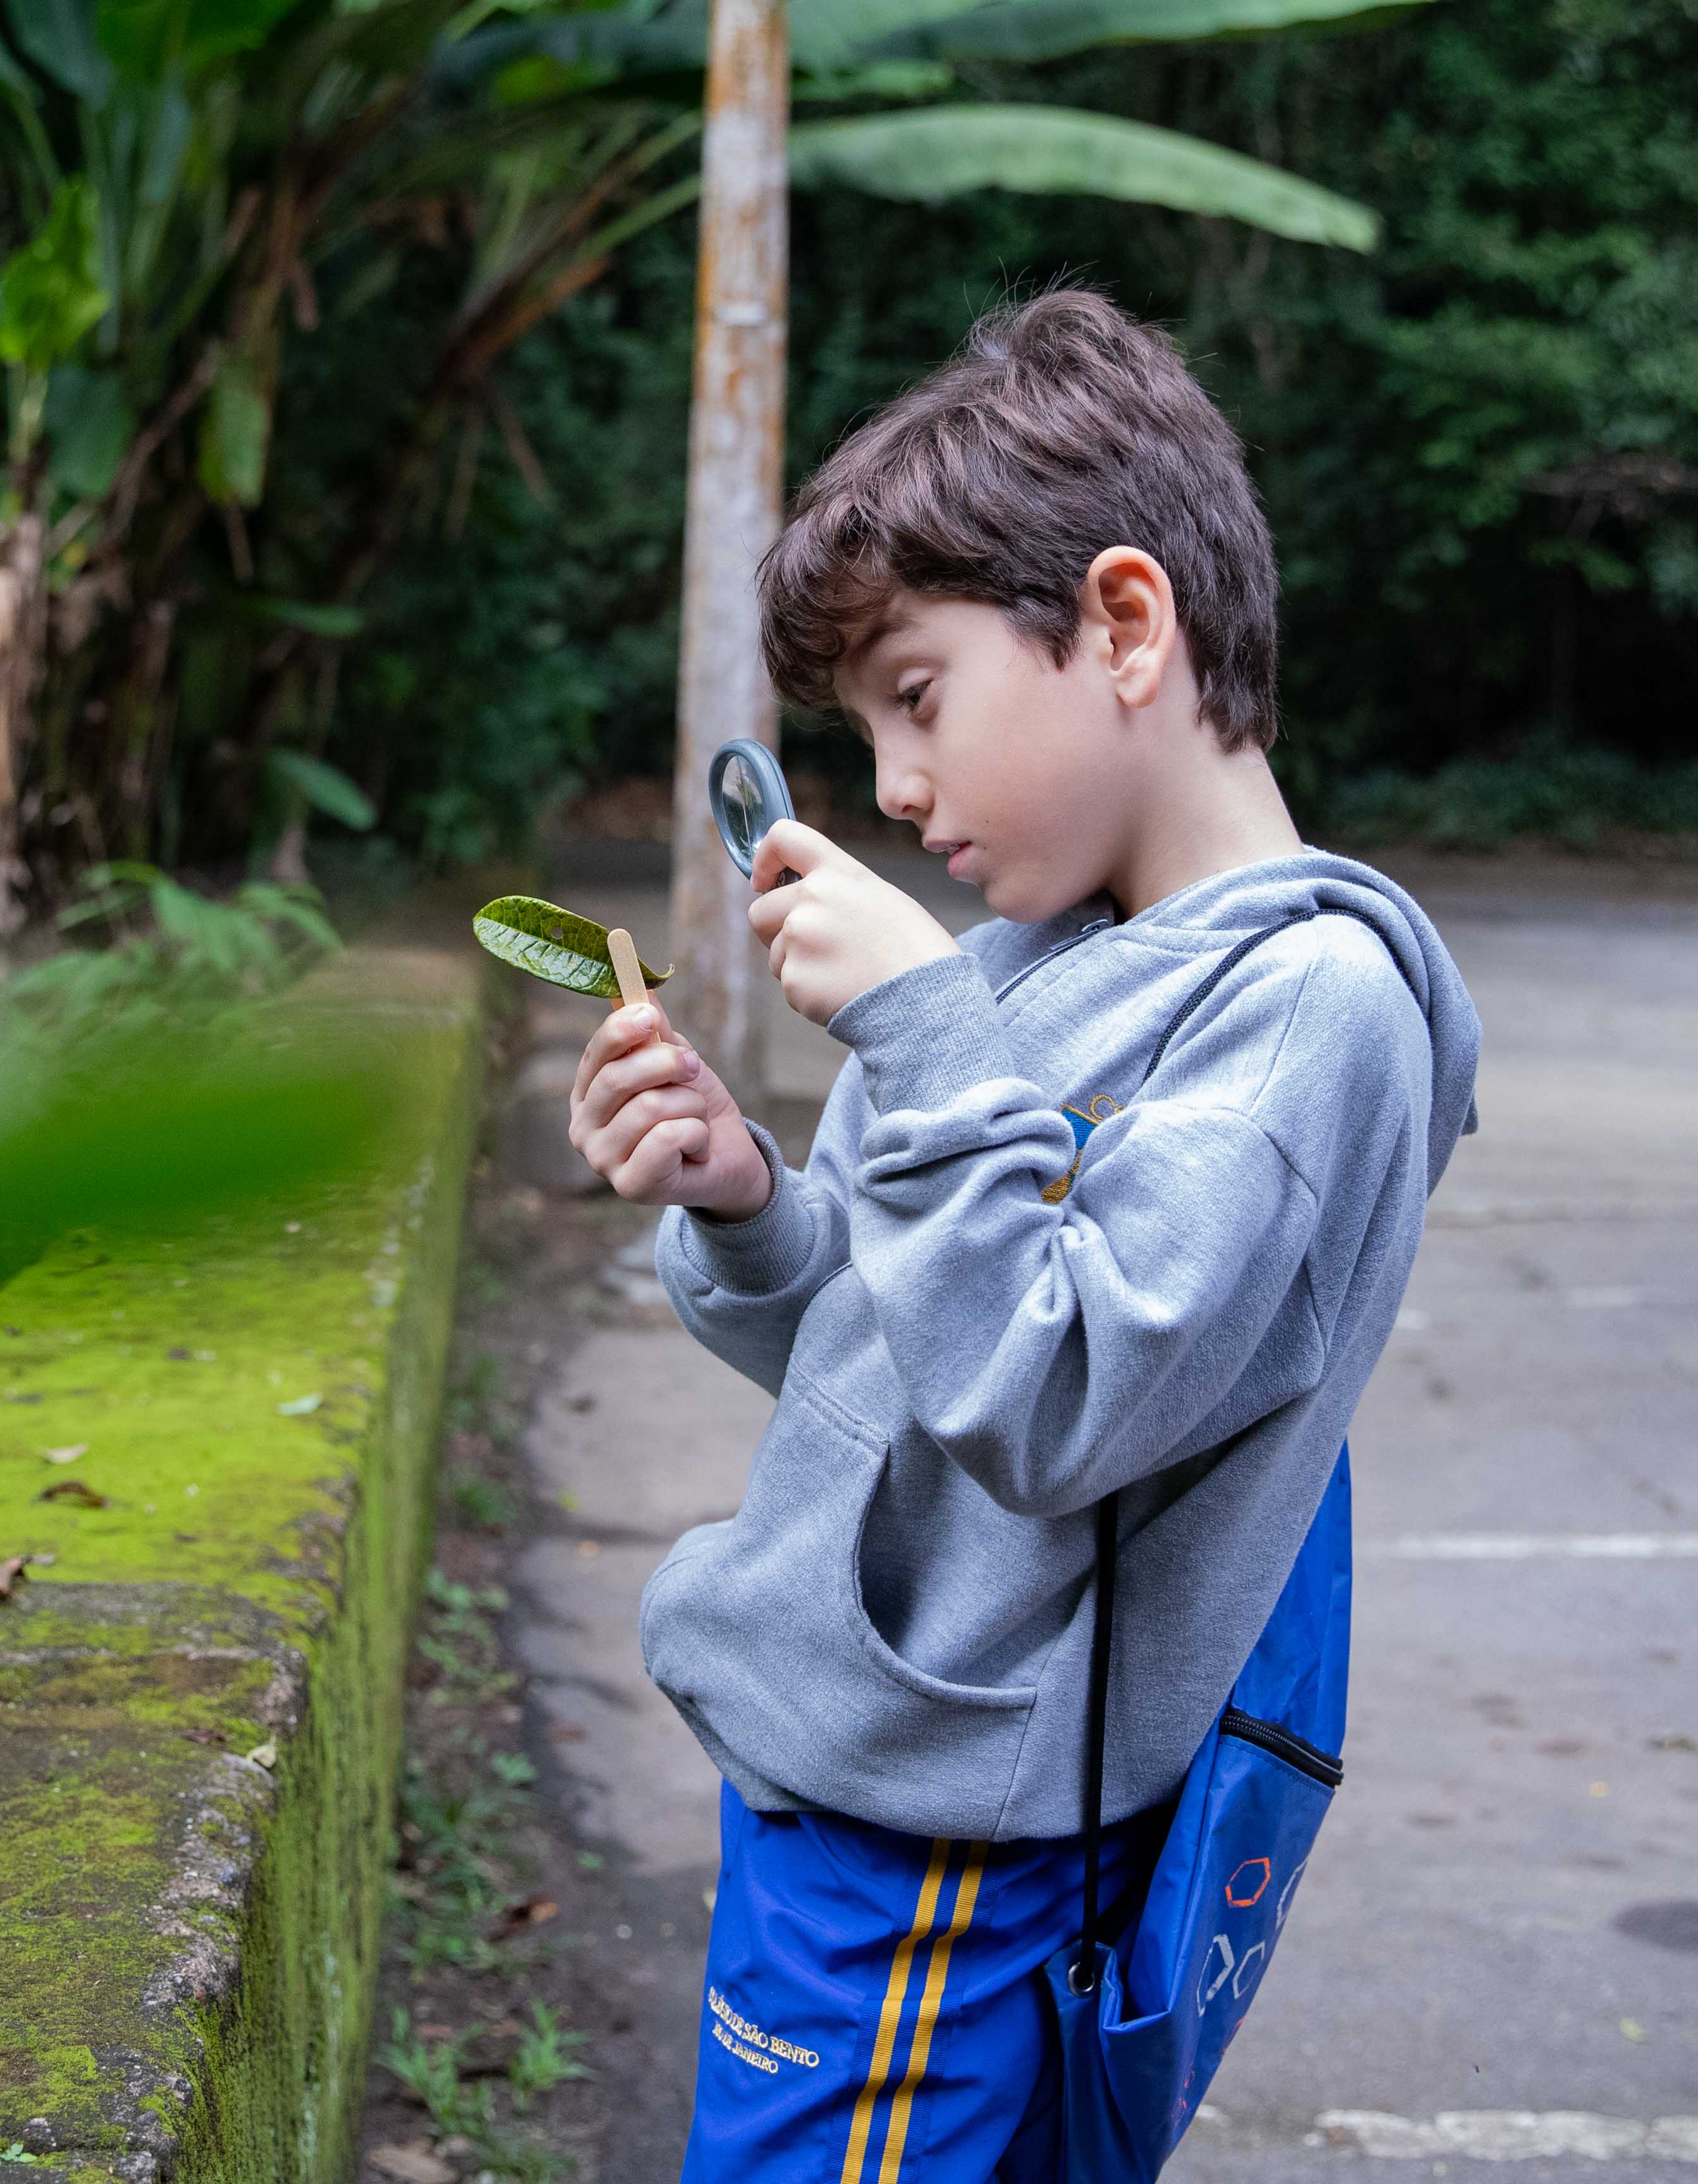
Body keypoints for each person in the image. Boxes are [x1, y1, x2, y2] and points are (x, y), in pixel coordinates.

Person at [567, 287, 1483, 2181]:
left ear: (1126, 625)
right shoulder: (1041, 966)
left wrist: (919, 1032)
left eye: (918, 699)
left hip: (947, 1853)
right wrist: (749, 1206)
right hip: (857, 1789)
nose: (896, 792)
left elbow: (1055, 1399)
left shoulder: (1315, 1013)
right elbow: (904, 1355)